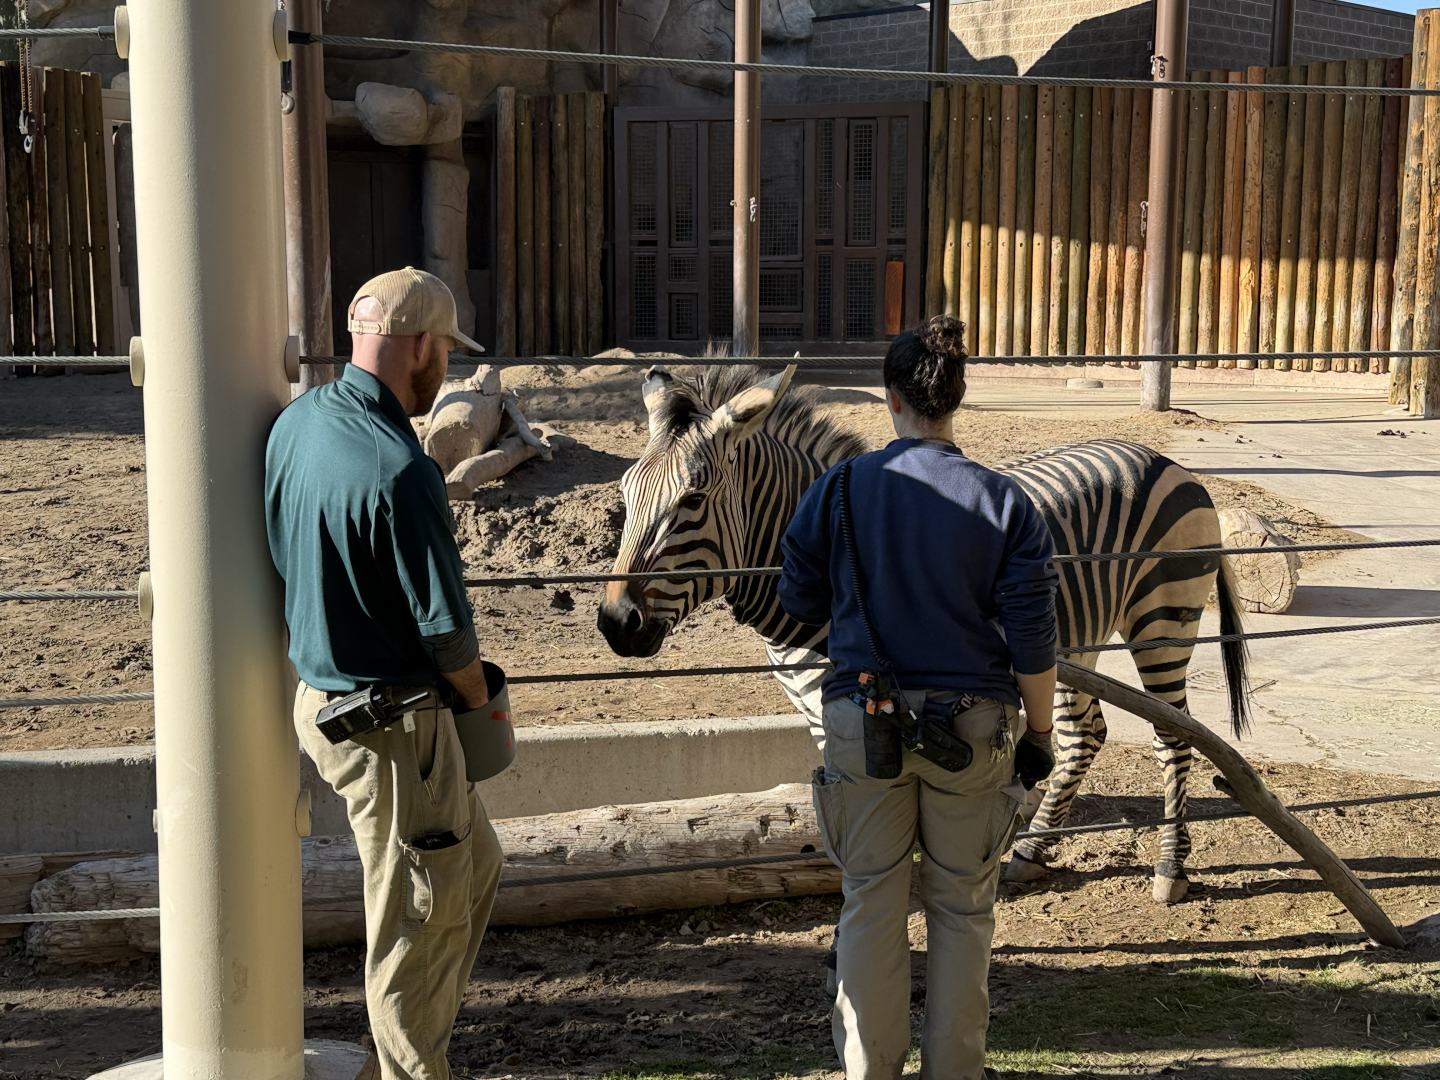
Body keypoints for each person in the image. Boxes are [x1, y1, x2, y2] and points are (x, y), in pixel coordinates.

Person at [777, 314, 1059, 1080]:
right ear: (956, 399)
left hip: (863, 720)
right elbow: (1035, 639)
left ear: (889, 398)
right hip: (973, 729)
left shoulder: (837, 491)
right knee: (964, 910)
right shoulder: (1005, 503)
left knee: (870, 898)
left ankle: (869, 1070)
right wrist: (1040, 733)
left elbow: (797, 599)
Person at [265, 267, 501, 1080]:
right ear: (421, 346)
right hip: (397, 725)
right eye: (446, 351)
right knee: (419, 918)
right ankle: (410, 1069)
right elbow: (448, 635)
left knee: (477, 865)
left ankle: (406, 1050)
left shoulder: (298, 422)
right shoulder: (404, 470)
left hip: (322, 699)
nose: (446, 371)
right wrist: (480, 715)